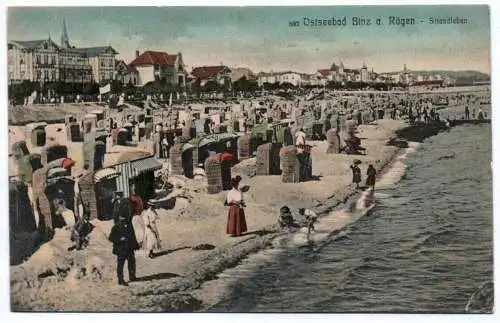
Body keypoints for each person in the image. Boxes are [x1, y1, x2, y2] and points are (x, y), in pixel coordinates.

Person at [108, 214, 140, 286]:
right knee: (120, 265)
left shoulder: (129, 225)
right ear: (119, 218)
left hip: (129, 248)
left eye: (125, 217)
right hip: (121, 249)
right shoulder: (116, 226)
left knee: (132, 262)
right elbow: (111, 238)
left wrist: (135, 245)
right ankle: (121, 280)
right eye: (122, 217)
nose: (124, 219)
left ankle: (132, 276)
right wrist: (120, 239)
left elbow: (132, 235)